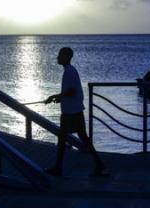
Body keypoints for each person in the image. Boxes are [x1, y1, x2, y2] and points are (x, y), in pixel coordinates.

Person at [45, 47, 108, 178]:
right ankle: (98, 164)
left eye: (60, 55)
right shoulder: (70, 71)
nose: (58, 57)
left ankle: (58, 168)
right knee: (79, 138)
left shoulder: (69, 71)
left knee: (64, 139)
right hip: (75, 110)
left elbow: (71, 91)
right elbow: (70, 92)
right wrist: (59, 98)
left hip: (71, 113)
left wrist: (54, 96)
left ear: (67, 57)